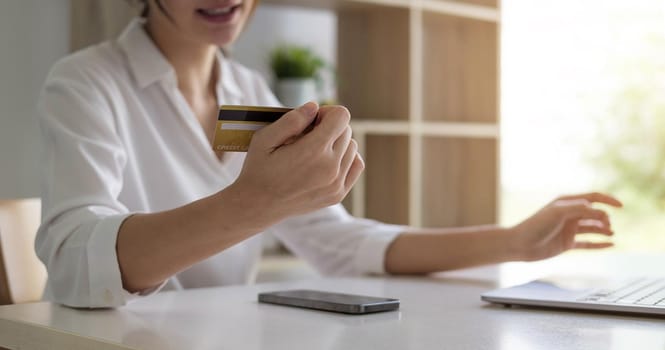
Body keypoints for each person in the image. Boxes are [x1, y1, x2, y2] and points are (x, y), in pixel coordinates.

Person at [36, 0, 622, 308]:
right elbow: (72, 266)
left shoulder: (250, 94)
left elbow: (339, 242)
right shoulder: (87, 83)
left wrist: (514, 242)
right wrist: (254, 203)